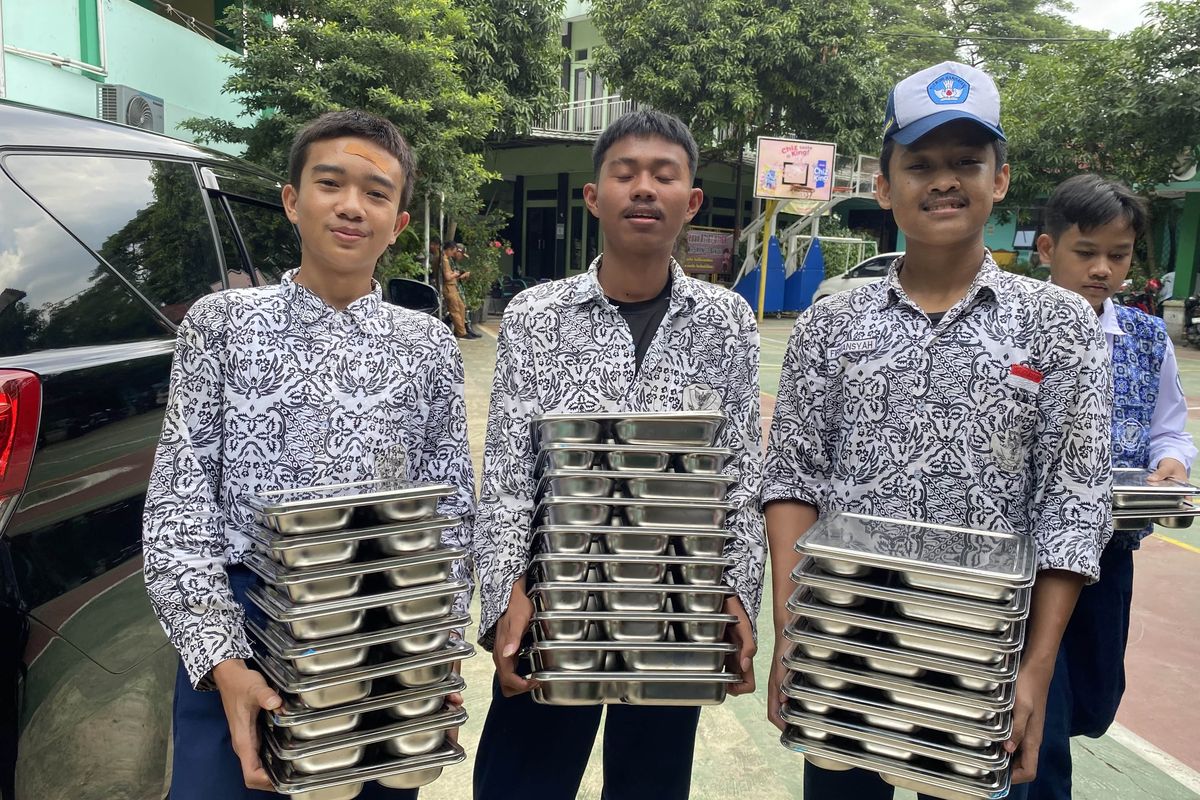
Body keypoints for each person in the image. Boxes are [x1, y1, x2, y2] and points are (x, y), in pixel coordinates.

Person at [762, 62, 1113, 797]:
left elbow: (1074, 502)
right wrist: (794, 635)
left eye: (966, 162)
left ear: (1000, 179)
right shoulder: (832, 322)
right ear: (885, 187)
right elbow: (793, 479)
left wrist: (1036, 668)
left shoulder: (1059, 324)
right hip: (848, 636)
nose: (944, 181)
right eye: (919, 164)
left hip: (985, 651)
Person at [142, 110, 475, 799]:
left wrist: (434, 648)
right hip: (244, 616)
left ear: (398, 223)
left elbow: (451, 511)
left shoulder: (426, 344)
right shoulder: (222, 324)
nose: (352, 206)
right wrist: (221, 660)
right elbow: (180, 502)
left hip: (382, 622)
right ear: (293, 200)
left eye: (376, 193)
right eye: (330, 183)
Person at [471, 109, 765, 800]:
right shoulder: (536, 316)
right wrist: (506, 592)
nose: (644, 189)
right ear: (593, 196)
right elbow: (510, 473)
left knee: (650, 786)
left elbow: (741, 474)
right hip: (554, 601)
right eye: (625, 173)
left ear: (691, 200)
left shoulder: (726, 321)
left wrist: (738, 593)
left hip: (676, 603)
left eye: (665, 175)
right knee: (520, 785)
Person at [1024, 174, 1195, 800]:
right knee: (1043, 713)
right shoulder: (1013, 329)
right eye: (1086, 252)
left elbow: (1169, 428)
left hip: (1110, 551)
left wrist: (1171, 463)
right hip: (1028, 556)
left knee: (1094, 700)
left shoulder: (1147, 340)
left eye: (1118, 256)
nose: (1102, 269)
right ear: (1048, 249)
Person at [443, 241, 479, 339]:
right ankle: (461, 332)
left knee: (461, 307)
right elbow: (448, 276)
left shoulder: (450, 260)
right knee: (455, 310)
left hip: (453, 286)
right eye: (461, 254)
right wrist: (457, 275)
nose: (461, 257)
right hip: (450, 287)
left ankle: (463, 329)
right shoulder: (446, 260)